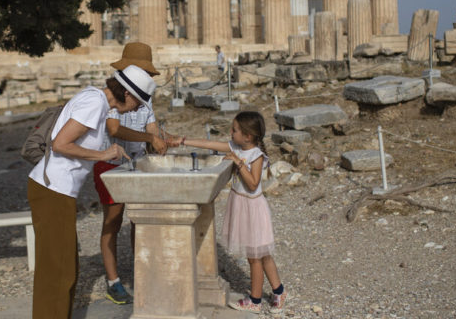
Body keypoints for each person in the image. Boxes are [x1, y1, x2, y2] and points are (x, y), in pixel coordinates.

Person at [28, 64, 156, 319]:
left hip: (58, 191)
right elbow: (61, 143)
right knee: (58, 272)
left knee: (64, 268)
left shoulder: (94, 97)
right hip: (53, 189)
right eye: (139, 102)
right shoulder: (95, 103)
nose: (139, 109)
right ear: (128, 94)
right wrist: (103, 154)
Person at [170, 111, 287, 314]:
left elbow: (252, 184)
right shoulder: (237, 146)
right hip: (241, 206)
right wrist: (183, 141)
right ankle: (279, 291)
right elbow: (211, 145)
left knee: (255, 257)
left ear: (247, 136)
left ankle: (256, 301)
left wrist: (238, 162)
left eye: (234, 130)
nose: (230, 133)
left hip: (253, 209)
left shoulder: (256, 155)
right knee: (261, 253)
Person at [93, 42, 168, 305]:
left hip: (138, 164)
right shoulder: (115, 94)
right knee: (113, 222)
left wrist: (159, 141)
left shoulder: (145, 98)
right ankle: (113, 281)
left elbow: (153, 129)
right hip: (110, 165)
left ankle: (142, 272)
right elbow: (114, 129)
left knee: (140, 221)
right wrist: (149, 136)